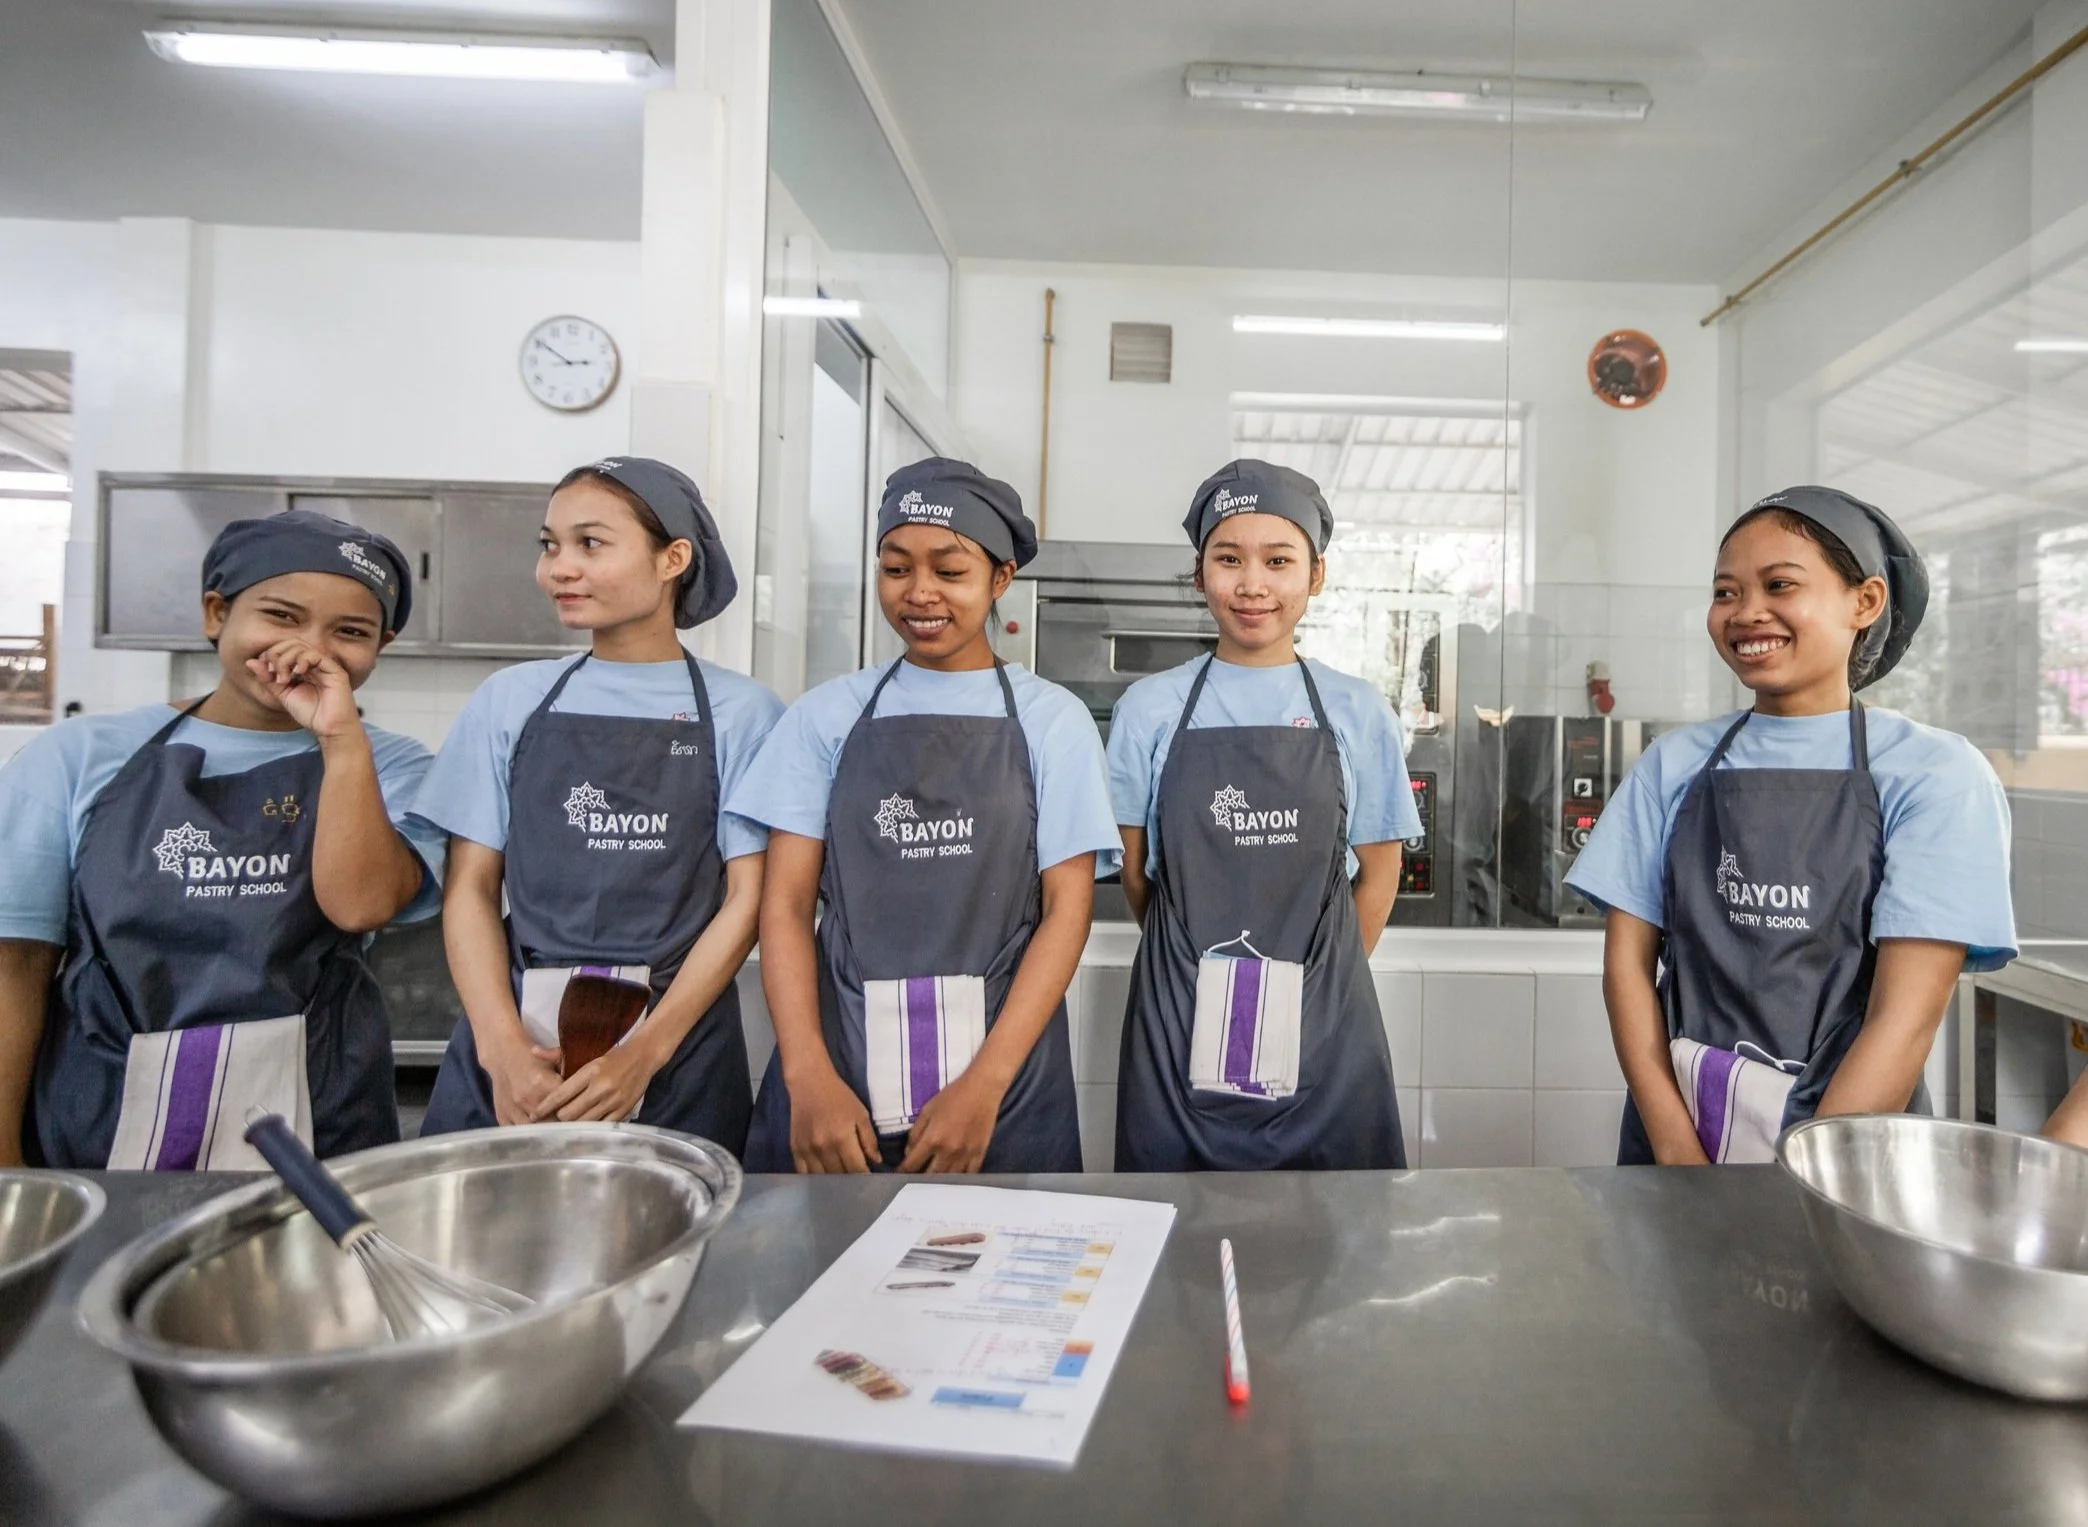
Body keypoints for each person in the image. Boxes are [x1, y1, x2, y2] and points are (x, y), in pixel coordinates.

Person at [1567, 486, 2016, 1165]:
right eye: (1725, 592)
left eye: (1780, 584)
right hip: (1681, 1129)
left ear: (1864, 602)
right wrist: (1674, 1145)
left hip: (1850, 1150)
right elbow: (1626, 968)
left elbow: (1906, 1014)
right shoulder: (1674, 764)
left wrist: (1804, 1178)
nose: (1747, 613)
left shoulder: (1934, 773)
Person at [0, 509, 443, 1168]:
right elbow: (16, 968)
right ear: (216, 613)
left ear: (383, 645)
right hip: (100, 1122)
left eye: (350, 631)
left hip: (321, 1127)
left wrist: (341, 743)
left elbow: (362, 903)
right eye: (281, 615)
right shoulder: (79, 756)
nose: (310, 648)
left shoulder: (398, 767)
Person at [731, 457, 1118, 1173]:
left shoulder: (1051, 721)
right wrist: (807, 1075)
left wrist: (985, 1085)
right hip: (839, 1069)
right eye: (896, 568)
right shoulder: (828, 716)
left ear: (1001, 579)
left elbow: (1067, 911)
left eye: (950, 569)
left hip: (1004, 1083)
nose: (920, 593)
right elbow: (783, 907)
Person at [416, 458, 781, 1151]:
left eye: (590, 544)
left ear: (674, 558)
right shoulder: (510, 700)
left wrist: (644, 1053)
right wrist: (501, 1049)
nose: (559, 568)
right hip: (518, 1042)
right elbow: (469, 888)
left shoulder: (743, 712)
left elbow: (747, 903)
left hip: (678, 1046)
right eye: (549, 545)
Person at [1109, 460, 1416, 1171]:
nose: (1252, 584)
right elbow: (1135, 873)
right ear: (1198, 574)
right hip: (1177, 1019)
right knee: (1177, 1240)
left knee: (1334, 1243)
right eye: (1228, 559)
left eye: (1278, 561)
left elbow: (1379, 873)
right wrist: (1189, 973)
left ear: (1316, 575)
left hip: (1328, 1021)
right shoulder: (1149, 710)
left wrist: (1318, 986)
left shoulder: (1357, 709)